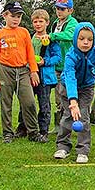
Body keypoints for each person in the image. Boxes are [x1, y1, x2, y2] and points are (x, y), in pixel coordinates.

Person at [0, 2, 46, 144]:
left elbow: (30, 53)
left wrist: (33, 71)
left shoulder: (24, 32)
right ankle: (7, 133)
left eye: (19, 16)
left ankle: (33, 132)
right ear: (5, 15)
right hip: (5, 70)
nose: (16, 19)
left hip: (22, 71)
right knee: (6, 103)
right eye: (13, 16)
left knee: (29, 102)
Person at [54, 22, 95, 163]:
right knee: (68, 116)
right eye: (82, 39)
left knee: (83, 116)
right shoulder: (71, 55)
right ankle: (63, 146)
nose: (86, 42)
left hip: (86, 88)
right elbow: (70, 77)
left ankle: (83, 150)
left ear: (94, 40)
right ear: (75, 39)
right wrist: (73, 101)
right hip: (68, 87)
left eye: (89, 39)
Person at [15, 9, 61, 140]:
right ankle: (22, 128)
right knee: (26, 102)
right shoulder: (29, 38)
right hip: (29, 74)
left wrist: (45, 61)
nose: (38, 24)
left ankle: (43, 130)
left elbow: (58, 57)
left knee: (44, 104)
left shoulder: (51, 39)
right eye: (35, 22)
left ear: (47, 23)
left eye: (41, 21)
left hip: (45, 76)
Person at [48, 0, 78, 134]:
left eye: (62, 9)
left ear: (70, 10)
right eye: (57, 8)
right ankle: (59, 126)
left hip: (69, 66)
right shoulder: (55, 23)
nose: (59, 11)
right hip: (56, 65)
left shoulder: (73, 23)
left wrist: (52, 36)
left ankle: (70, 124)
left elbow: (69, 35)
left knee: (67, 96)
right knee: (58, 97)